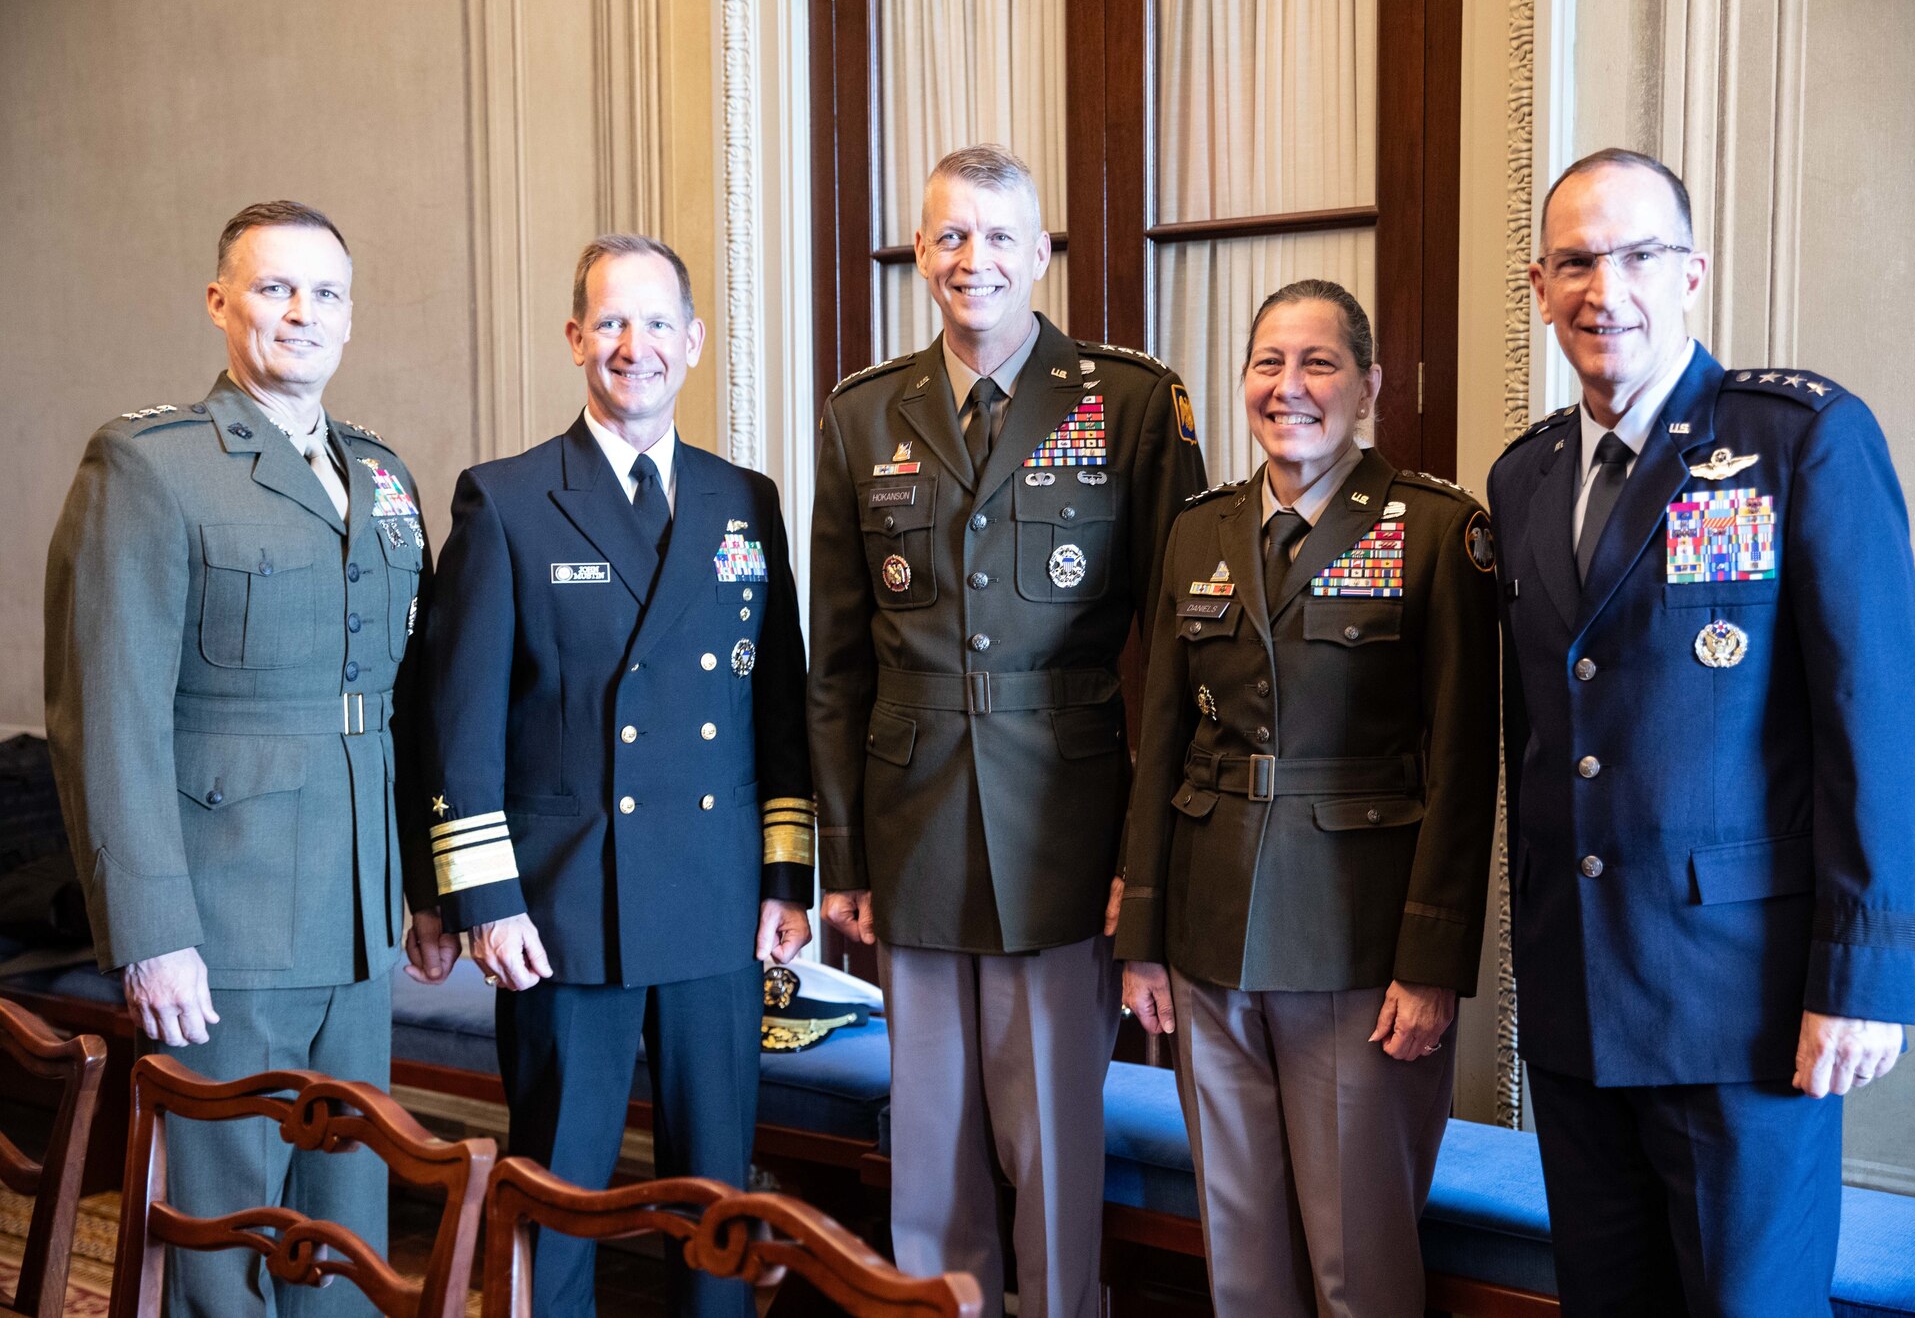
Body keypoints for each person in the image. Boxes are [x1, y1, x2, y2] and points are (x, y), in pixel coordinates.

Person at [1486, 148, 1915, 1316]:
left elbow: (1871, 719)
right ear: (1538, 286)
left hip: (1743, 1007)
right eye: (1574, 262)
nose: (1604, 289)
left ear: (1689, 272)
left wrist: (1862, 977)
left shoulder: (1796, 441)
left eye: (1635, 256)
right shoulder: (1523, 477)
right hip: (1579, 994)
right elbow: (1535, 733)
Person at [809, 143, 1205, 1318]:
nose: (969, 259)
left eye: (995, 236)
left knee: (1051, 1138)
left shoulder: (1127, 400)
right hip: (912, 812)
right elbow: (832, 657)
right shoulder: (862, 410)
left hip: (1067, 819)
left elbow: (1181, 653)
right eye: (945, 236)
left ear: (1040, 254)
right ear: (919, 253)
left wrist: (1149, 862)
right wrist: (847, 854)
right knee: (926, 1137)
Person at [44, 200, 436, 1317]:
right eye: (273, 288)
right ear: (220, 302)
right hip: (226, 922)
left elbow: (397, 705)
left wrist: (413, 890)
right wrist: (151, 933)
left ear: (350, 318)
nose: (301, 314)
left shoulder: (381, 474)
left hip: (358, 922)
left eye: (326, 293)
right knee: (218, 1236)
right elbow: (106, 715)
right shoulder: (151, 466)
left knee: (340, 1233)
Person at [415, 233, 812, 1318]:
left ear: (691, 343)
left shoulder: (745, 499)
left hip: (714, 903)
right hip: (562, 907)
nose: (632, 346)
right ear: (574, 338)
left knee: (713, 1201)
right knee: (557, 1192)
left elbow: (778, 703)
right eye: (609, 323)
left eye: (654, 324)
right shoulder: (505, 501)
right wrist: (486, 902)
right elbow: (458, 723)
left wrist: (787, 876)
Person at [1116, 280, 1497, 1317]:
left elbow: (1462, 769)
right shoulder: (1197, 532)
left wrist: (1428, 965)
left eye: (1318, 363)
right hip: (1208, 932)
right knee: (1239, 1253)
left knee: (1354, 1261)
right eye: (1267, 363)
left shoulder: (1432, 530)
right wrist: (1141, 935)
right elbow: (1162, 741)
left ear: (1367, 385)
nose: (1289, 387)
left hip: (1356, 946)